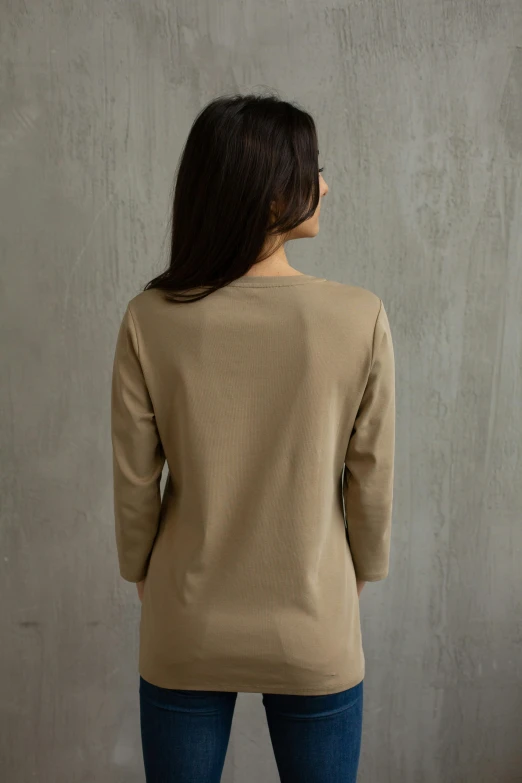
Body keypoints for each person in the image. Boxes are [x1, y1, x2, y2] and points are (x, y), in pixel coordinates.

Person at [111, 92, 395, 783]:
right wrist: (359, 572)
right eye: (311, 169)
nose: (324, 184)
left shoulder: (152, 318)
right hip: (313, 620)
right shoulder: (358, 317)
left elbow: (134, 481)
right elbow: (372, 479)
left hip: (186, 619)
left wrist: (140, 570)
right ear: (270, 197)